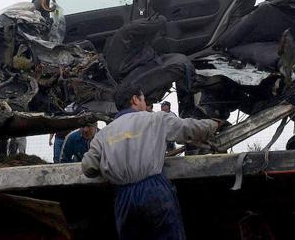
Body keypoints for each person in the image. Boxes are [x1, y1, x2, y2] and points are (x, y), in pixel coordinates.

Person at [82, 85, 220, 240]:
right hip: (153, 191)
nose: (145, 104)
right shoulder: (156, 118)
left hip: (123, 198)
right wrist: (214, 124)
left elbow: (89, 167)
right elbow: (189, 128)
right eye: (143, 99)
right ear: (135, 99)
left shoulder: (103, 135)